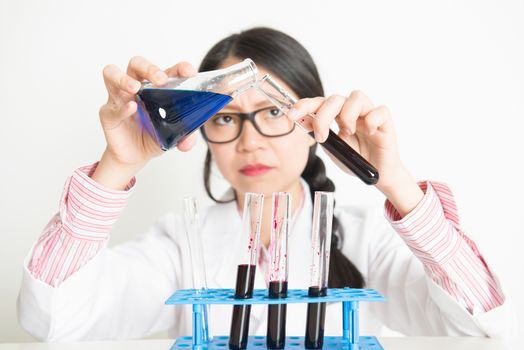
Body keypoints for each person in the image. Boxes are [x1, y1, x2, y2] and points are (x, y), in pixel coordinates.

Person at [18, 27, 511, 342]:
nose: (250, 141)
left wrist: (397, 180)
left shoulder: (368, 240)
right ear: (201, 132)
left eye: (274, 111)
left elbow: (479, 316)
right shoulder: (177, 246)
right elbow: (53, 318)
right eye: (226, 118)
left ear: (315, 119)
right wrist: (116, 164)